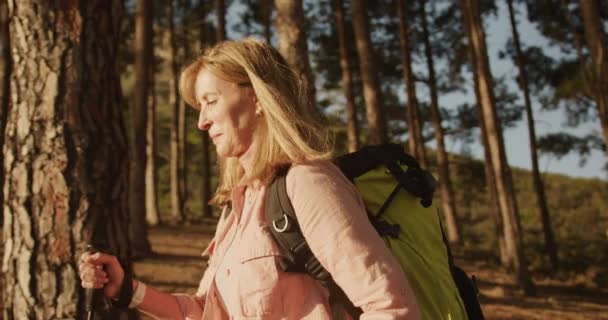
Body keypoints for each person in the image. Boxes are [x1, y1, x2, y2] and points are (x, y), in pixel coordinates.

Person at [79, 38, 421, 319]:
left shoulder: (308, 184)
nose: (202, 122)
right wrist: (128, 291)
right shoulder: (236, 207)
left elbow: (390, 307)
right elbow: (206, 311)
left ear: (256, 97)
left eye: (210, 102)